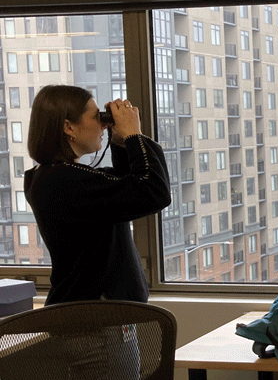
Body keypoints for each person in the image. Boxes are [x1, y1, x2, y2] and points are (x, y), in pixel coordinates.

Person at [24, 84, 171, 305]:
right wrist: (132, 134)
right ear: (69, 127)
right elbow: (153, 192)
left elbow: (124, 188)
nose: (104, 125)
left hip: (91, 314)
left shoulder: (53, 178)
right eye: (97, 118)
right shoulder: (63, 181)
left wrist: (121, 143)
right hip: (93, 322)